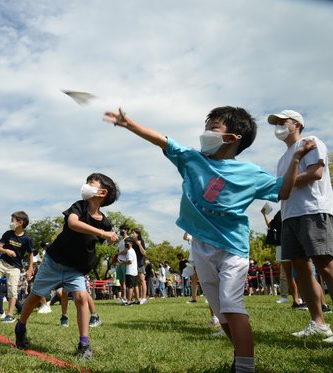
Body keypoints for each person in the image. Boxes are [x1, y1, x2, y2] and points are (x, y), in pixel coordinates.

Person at [104, 105, 315, 372]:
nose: (206, 133)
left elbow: (282, 191)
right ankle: (241, 355)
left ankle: (246, 367)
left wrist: (295, 161)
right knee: (220, 311)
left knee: (231, 305)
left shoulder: (250, 173)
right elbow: (163, 140)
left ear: (233, 138)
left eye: (213, 128)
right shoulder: (193, 160)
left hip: (232, 249)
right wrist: (129, 124)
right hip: (202, 247)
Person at [14, 173, 119, 360]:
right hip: (54, 262)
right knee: (36, 296)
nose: (85, 186)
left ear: (102, 192)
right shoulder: (78, 207)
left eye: (90, 183)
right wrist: (103, 233)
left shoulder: (105, 222)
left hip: (76, 269)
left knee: (80, 298)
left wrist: (111, 238)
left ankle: (84, 344)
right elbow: (73, 224)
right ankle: (20, 327)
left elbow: (96, 241)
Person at [268, 109, 333, 342]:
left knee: (324, 265)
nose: (278, 126)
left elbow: (315, 173)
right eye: (276, 123)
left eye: (282, 122)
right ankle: (318, 322)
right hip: (289, 215)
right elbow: (283, 190)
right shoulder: (282, 158)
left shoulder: (311, 142)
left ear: (296, 124)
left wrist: (282, 183)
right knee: (301, 269)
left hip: (313, 209)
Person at [131, 228, 147, 304]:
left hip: (140, 263)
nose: (132, 234)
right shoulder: (132, 242)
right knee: (137, 282)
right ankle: (139, 297)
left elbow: (144, 253)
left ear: (137, 234)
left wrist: (139, 244)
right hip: (134, 264)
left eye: (133, 233)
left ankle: (144, 298)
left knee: (142, 280)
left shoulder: (141, 241)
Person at [120, 236, 139, 305]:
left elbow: (130, 261)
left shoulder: (129, 251)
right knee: (135, 285)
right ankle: (137, 300)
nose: (126, 244)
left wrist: (123, 262)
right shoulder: (132, 250)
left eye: (127, 242)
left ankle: (128, 301)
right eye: (125, 242)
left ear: (131, 243)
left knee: (130, 286)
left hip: (130, 271)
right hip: (134, 271)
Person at [115, 225, 130, 304]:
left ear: (126, 230)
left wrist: (118, 253)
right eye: (120, 229)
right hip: (119, 262)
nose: (121, 231)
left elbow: (127, 250)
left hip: (125, 262)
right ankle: (123, 298)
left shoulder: (128, 239)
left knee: (126, 281)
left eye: (122, 229)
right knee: (121, 281)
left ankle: (127, 298)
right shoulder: (121, 241)